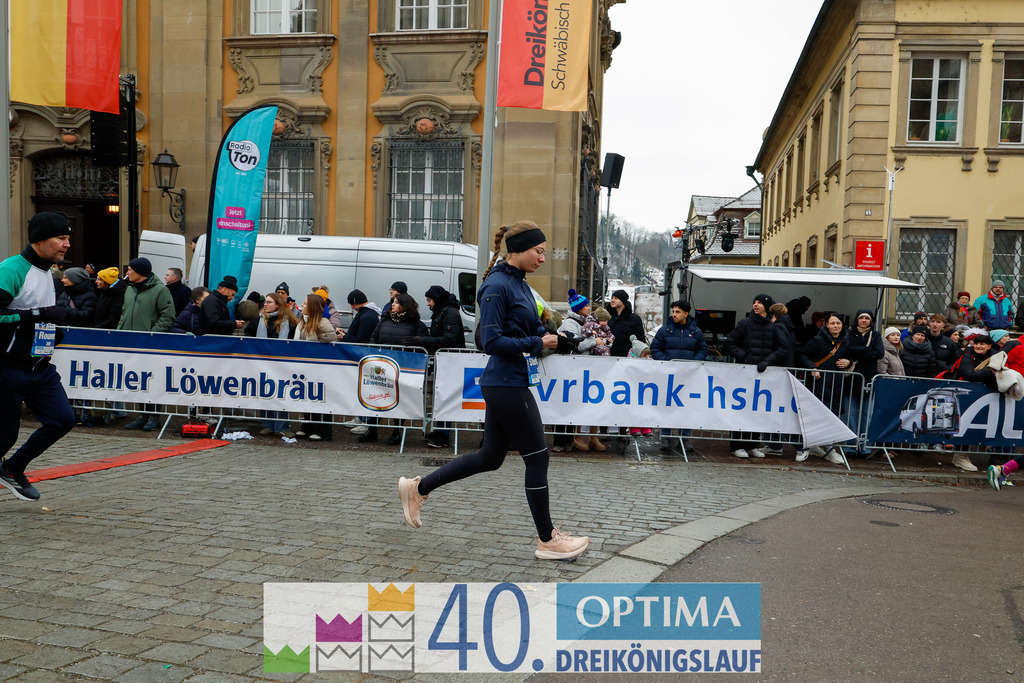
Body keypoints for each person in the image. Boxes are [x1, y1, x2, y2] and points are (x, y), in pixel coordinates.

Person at [397, 220, 589, 560]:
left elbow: (529, 330)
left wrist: (561, 339)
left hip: (509, 379)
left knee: (490, 457)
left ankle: (419, 488)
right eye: (539, 252)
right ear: (518, 251)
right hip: (505, 382)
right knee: (538, 455)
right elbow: (488, 340)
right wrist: (536, 341)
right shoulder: (498, 286)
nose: (543, 258)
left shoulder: (518, 284)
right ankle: (548, 539)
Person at [0, 212, 76, 501]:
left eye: (68, 237)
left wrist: (50, 331)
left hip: (40, 367)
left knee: (62, 420)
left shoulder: (50, 273)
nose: (67, 244)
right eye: (61, 238)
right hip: (8, 367)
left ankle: (12, 469)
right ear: (40, 239)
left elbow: (39, 318)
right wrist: (36, 315)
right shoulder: (11, 269)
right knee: (4, 436)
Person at [723, 293, 789, 458]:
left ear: (767, 307)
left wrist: (767, 362)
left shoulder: (774, 327)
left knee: (758, 410)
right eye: (755, 302)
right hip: (745, 373)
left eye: (760, 302)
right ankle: (736, 445)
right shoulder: (745, 323)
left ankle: (752, 444)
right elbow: (729, 343)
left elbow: (782, 349)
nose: (756, 305)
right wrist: (744, 357)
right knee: (741, 410)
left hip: (764, 374)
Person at [118, 257, 176, 431]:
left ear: (140, 272)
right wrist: (120, 331)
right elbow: (124, 313)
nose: (127, 272)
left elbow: (168, 316)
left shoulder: (160, 290)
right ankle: (142, 415)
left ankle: (154, 417)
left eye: (130, 269)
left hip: (150, 344)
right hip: (131, 342)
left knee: (152, 381)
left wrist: (152, 334)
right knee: (137, 381)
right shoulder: (129, 289)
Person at [364, 292, 429, 445]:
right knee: (376, 396)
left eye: (397, 302)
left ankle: (397, 431)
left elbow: (421, 347)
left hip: (402, 368)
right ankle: (372, 429)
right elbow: (374, 337)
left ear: (405, 305)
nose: (393, 304)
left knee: (399, 399)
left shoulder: (416, 325)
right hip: (381, 367)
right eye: (393, 302)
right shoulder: (384, 320)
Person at [406, 285, 466, 449]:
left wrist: (422, 341)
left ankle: (443, 435)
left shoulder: (450, 314)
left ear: (437, 300)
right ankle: (440, 430)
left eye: (429, 300)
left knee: (446, 397)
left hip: (451, 363)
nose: (427, 304)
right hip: (444, 361)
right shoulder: (442, 312)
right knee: (441, 397)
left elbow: (449, 339)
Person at [797, 313, 852, 464]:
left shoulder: (846, 341)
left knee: (832, 417)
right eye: (832, 323)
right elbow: (802, 354)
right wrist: (812, 368)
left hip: (836, 385)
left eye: (838, 323)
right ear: (827, 325)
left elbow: (851, 356)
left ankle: (829, 448)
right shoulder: (817, 340)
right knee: (813, 416)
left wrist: (848, 361)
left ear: (842, 325)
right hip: (817, 384)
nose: (835, 326)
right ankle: (806, 446)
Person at [247, 292, 298, 437]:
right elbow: (248, 334)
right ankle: (267, 424)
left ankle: (282, 426)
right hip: (262, 362)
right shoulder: (259, 319)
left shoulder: (290, 321)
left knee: (281, 394)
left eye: (269, 302)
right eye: (265, 302)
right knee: (265, 393)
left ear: (278, 304)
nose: (265, 304)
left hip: (282, 363)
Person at [295, 293, 339, 441]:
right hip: (304, 367)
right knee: (306, 397)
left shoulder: (322, 322)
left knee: (320, 398)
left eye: (305, 303)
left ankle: (323, 430)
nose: (302, 305)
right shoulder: (302, 322)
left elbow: (331, 340)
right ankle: (307, 427)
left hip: (319, 368)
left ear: (312, 306)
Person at [606, 289, 645, 358]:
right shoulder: (607, 318)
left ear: (623, 301)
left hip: (626, 358)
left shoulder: (634, 319)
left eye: (616, 298)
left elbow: (640, 341)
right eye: (612, 298)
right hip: (607, 356)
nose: (612, 300)